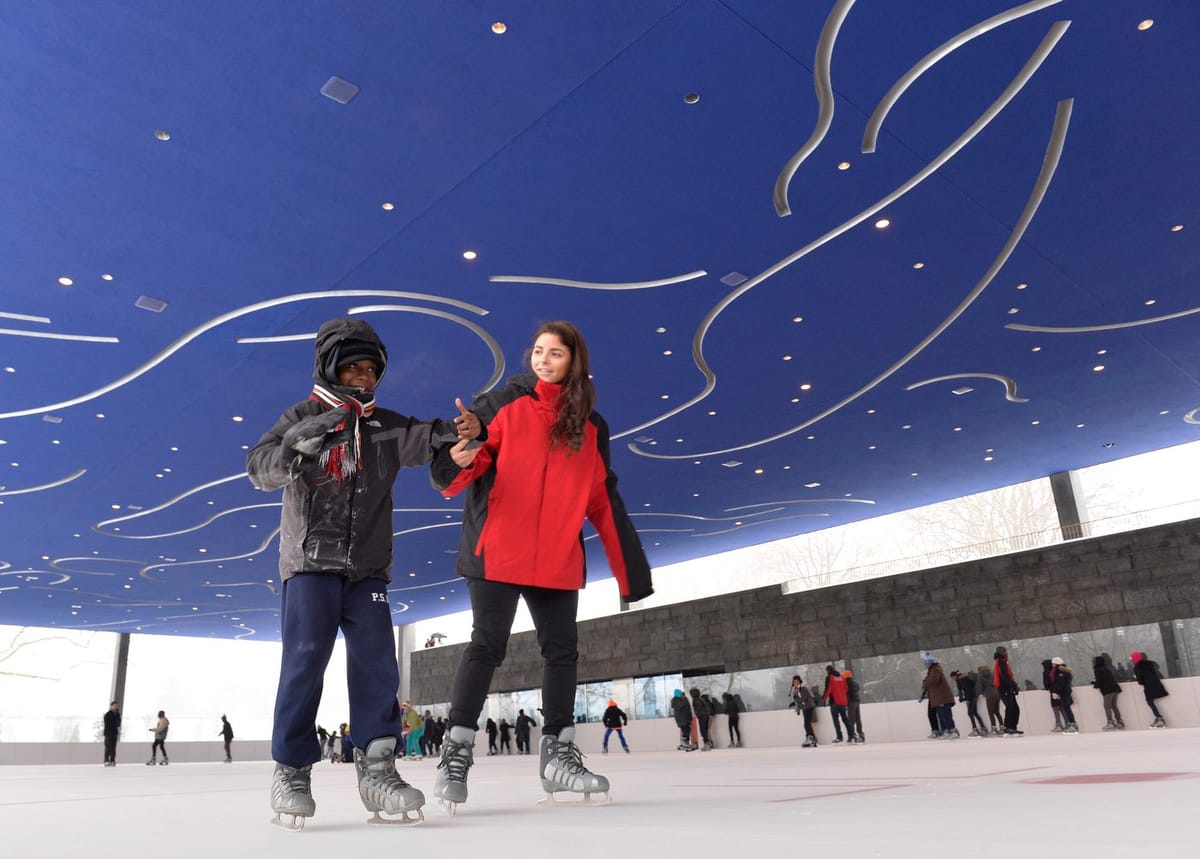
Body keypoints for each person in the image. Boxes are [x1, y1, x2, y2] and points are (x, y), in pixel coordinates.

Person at [246, 317, 480, 829]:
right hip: (309, 563)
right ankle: (291, 769)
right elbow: (257, 464)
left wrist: (465, 434)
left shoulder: (385, 426)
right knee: (305, 661)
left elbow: (433, 437)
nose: (363, 377)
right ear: (331, 367)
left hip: (368, 569)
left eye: (371, 369)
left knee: (377, 663)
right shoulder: (304, 415)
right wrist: (292, 452)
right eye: (353, 367)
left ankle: (378, 767)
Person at [429, 321, 653, 810]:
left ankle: (558, 755)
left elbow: (601, 498)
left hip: (556, 557)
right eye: (537, 351)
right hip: (497, 550)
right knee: (487, 645)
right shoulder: (500, 404)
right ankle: (456, 751)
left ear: (575, 361)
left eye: (555, 353)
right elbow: (460, 468)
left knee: (563, 651)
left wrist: (630, 573)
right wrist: (462, 451)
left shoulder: (591, 427)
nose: (543, 359)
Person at [920, 656, 959, 739]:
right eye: (925, 664)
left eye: (927, 664)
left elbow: (934, 680)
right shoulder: (931, 671)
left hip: (942, 697)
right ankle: (946, 731)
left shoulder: (936, 669)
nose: (926, 666)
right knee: (941, 715)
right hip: (938, 698)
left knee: (946, 715)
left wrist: (925, 681)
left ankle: (953, 730)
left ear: (930, 663)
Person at [1130, 651, 1168, 727]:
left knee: (1149, 702)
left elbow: (1141, 681)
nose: (1131, 661)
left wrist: (1136, 678)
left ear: (1135, 659)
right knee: (1150, 701)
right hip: (1157, 685)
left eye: (1132, 659)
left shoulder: (1137, 667)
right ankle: (1158, 718)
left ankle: (1159, 718)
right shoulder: (1150, 665)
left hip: (1148, 687)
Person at [993, 646, 1022, 736]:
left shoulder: (1002, 661)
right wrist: (1012, 686)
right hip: (1004, 687)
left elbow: (1007, 676)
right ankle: (1009, 727)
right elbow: (1005, 676)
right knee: (1011, 707)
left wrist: (1014, 685)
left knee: (1013, 708)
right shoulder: (1001, 662)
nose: (1007, 653)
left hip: (1005, 687)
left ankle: (1011, 727)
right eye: (1006, 651)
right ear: (1002, 652)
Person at [1091, 654, 1124, 729]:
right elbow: (1106, 678)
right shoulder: (1106, 668)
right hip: (1115, 688)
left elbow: (1099, 680)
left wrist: (1095, 685)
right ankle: (1119, 721)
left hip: (1108, 690)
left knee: (1107, 706)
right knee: (1113, 705)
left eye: (1093, 661)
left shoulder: (1097, 669)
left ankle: (1110, 722)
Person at [821, 665, 853, 743]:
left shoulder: (830, 677)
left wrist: (824, 699)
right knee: (845, 719)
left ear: (827, 670)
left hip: (834, 702)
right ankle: (851, 735)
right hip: (843, 702)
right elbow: (846, 689)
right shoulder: (842, 678)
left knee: (836, 720)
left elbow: (828, 689)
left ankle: (839, 737)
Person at [950, 670, 986, 737]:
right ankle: (983, 728)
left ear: (955, 676)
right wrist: (962, 698)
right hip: (973, 696)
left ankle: (975, 730)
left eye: (952, 678)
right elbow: (962, 690)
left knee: (970, 713)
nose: (953, 679)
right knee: (974, 713)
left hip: (972, 697)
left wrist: (967, 699)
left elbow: (968, 689)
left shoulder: (963, 679)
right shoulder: (960, 680)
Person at [1047, 657, 1078, 733]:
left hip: (1064, 693)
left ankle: (1073, 724)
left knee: (1067, 708)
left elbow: (1060, 683)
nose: (1052, 665)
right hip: (1065, 692)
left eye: (1053, 663)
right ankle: (1072, 724)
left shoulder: (1060, 672)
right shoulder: (1063, 671)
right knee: (1066, 708)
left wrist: (1055, 692)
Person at [790, 675, 817, 747]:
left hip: (809, 706)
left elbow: (804, 698)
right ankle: (812, 738)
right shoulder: (796, 690)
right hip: (805, 707)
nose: (795, 683)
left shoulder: (803, 688)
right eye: (794, 682)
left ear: (799, 681)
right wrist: (797, 708)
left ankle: (810, 737)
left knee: (806, 724)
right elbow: (798, 700)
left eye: (797, 681)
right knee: (807, 723)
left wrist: (796, 701)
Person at [1042, 659, 1067, 732]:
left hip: (1053, 691)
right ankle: (1067, 723)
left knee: (1055, 708)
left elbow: (1046, 684)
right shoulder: (1055, 671)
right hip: (1060, 691)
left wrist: (1047, 688)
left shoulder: (1046, 672)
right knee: (1062, 708)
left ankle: (1058, 724)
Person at [976, 664, 1002, 735]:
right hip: (997, 694)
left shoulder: (981, 676)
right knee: (997, 712)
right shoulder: (992, 674)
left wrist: (977, 694)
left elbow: (980, 687)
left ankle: (994, 728)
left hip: (989, 695)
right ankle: (1002, 727)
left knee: (991, 713)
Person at [842, 670, 864, 744]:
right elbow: (858, 689)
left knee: (851, 720)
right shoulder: (855, 683)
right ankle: (861, 735)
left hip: (851, 702)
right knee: (858, 719)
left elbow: (845, 693)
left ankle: (852, 735)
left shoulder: (845, 683)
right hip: (857, 701)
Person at [102, 701, 121, 766]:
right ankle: (106, 761)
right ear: (111, 706)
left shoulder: (117, 714)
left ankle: (112, 760)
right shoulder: (107, 715)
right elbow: (108, 724)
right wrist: (115, 723)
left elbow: (118, 723)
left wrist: (115, 723)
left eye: (117, 706)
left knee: (113, 748)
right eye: (115, 705)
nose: (116, 707)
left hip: (114, 733)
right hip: (108, 733)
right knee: (108, 747)